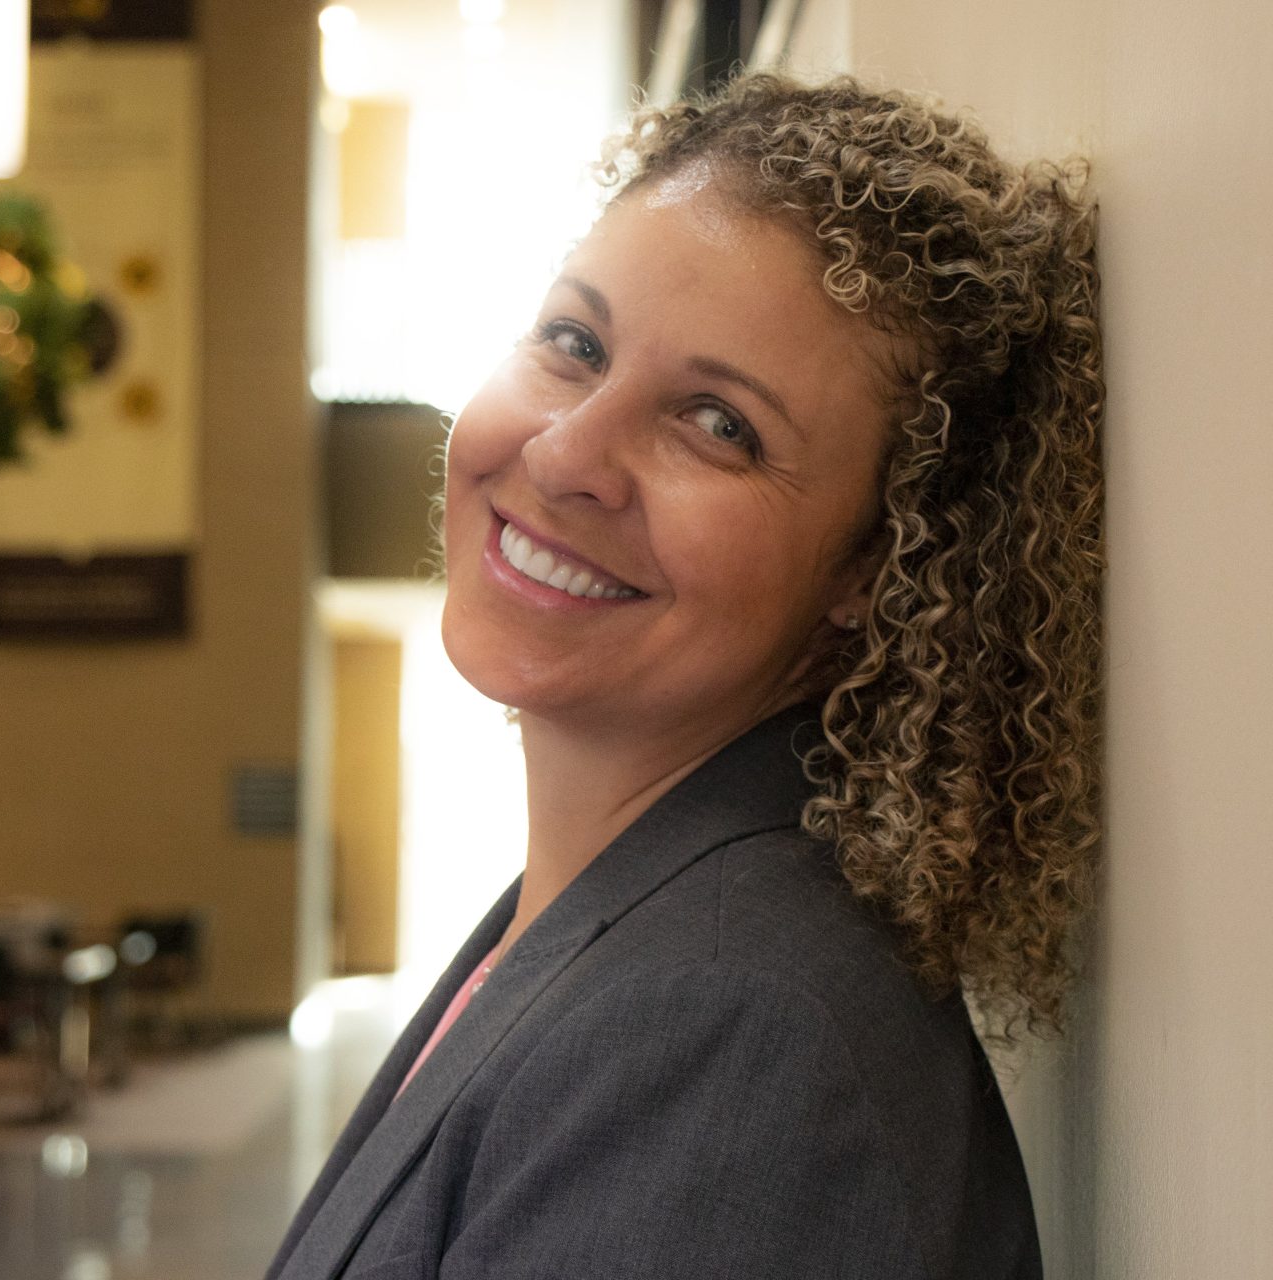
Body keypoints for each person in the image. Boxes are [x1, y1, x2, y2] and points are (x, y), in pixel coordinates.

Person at [268, 73, 1101, 1280]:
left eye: (719, 423)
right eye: (574, 342)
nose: (565, 455)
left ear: (878, 562)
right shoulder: (621, 915)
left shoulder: (732, 1028)